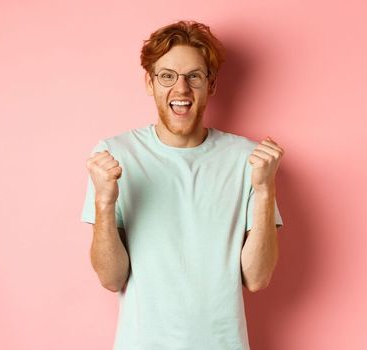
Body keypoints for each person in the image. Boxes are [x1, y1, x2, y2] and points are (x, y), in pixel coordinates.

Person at [80, 20, 285, 349]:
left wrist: (264, 189)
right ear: (150, 82)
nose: (181, 90)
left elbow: (257, 278)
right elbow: (111, 278)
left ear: (211, 85)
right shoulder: (115, 155)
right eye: (167, 76)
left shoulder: (248, 159)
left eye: (194, 76)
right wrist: (104, 202)